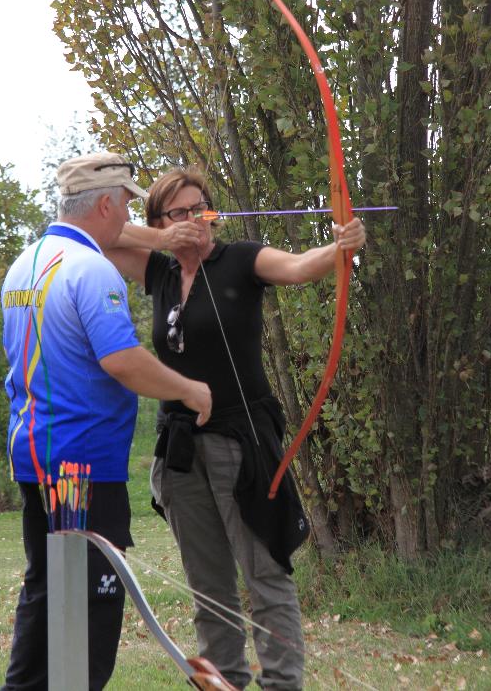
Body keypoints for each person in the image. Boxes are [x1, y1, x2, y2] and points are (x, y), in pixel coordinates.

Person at [105, 167, 366, 690]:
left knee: (265, 574)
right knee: (208, 586)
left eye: (201, 209)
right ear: (159, 220)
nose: (195, 221)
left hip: (242, 443)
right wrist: (161, 239)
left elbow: (299, 267)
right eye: (179, 212)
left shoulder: (240, 259)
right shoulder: (155, 272)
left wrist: (342, 247)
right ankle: (223, 682)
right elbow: (99, 234)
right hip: (180, 448)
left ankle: (281, 684)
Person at [0, 152, 212, 691]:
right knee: (94, 601)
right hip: (84, 462)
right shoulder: (91, 270)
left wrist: (161, 242)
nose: (126, 222)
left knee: (46, 586)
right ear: (108, 204)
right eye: (124, 208)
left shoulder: (26, 263)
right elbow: (122, 360)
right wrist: (188, 389)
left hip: (34, 454)